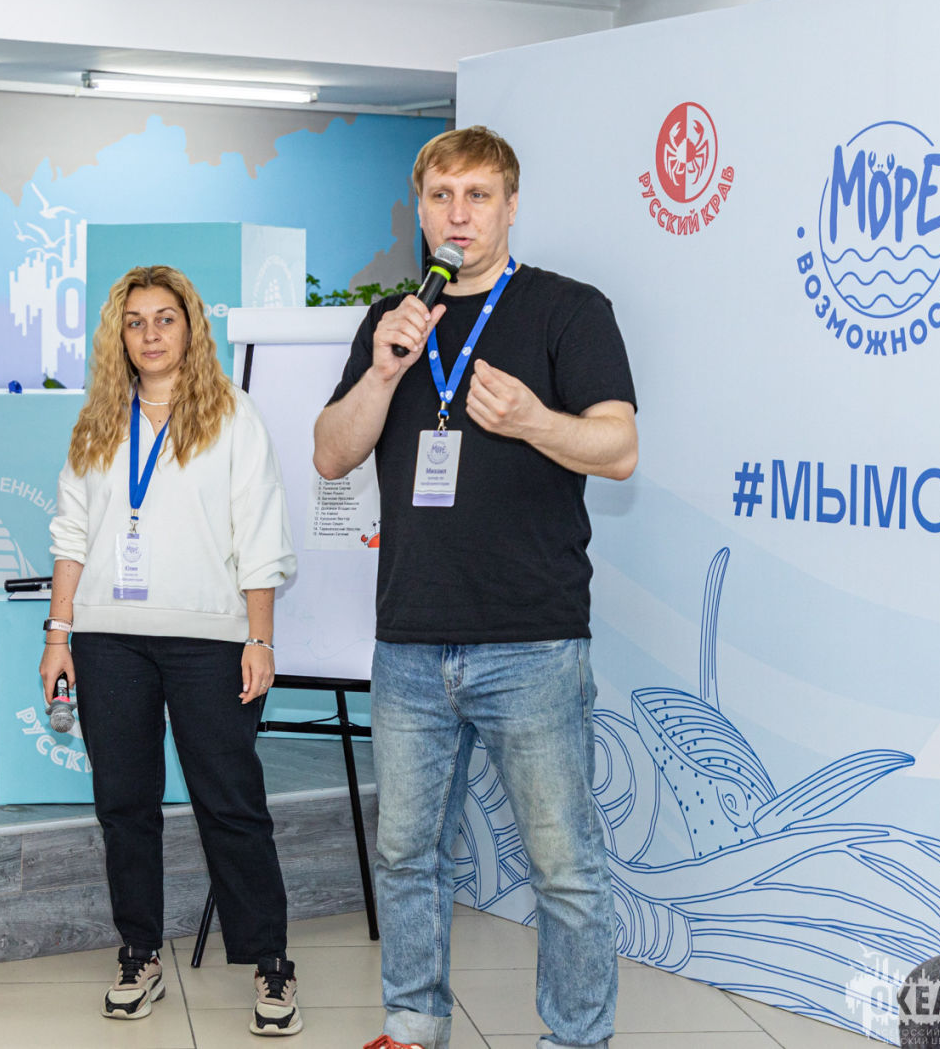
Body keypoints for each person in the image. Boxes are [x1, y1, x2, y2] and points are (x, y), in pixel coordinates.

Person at [313, 126, 638, 1049]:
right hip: (410, 639)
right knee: (406, 855)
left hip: (531, 639)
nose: (459, 215)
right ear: (420, 209)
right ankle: (413, 1024)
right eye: (441, 196)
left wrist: (536, 420)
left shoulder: (568, 309)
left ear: (510, 204)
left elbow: (619, 447)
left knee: (563, 863)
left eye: (479, 195)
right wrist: (384, 372)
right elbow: (331, 453)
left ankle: (576, 1037)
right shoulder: (394, 321)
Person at [41, 264, 303, 1036]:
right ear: (117, 336)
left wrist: (260, 636)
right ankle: (139, 952)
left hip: (210, 639)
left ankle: (271, 960)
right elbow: (70, 534)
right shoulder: (98, 418)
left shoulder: (233, 414)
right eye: (135, 321)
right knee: (124, 804)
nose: (150, 334)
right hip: (107, 638)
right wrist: (58, 635)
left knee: (231, 802)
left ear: (191, 326)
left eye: (164, 318)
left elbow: (260, 533)